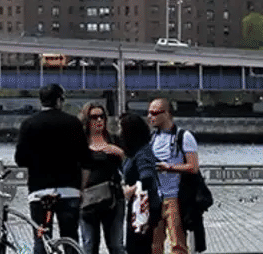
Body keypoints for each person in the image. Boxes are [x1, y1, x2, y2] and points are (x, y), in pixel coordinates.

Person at [14, 84, 89, 254]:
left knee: (41, 238)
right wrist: (82, 189)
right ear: (59, 100)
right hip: (69, 190)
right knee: (70, 239)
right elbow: (85, 159)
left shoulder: (29, 124)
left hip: (39, 191)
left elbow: (20, 159)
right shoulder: (73, 123)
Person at [146, 98, 201, 254]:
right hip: (155, 198)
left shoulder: (184, 136)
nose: (150, 117)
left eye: (155, 113)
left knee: (178, 245)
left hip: (175, 197)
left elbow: (193, 167)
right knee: (154, 245)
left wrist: (169, 168)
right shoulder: (152, 138)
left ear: (167, 114)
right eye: (149, 113)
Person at [77, 102, 124, 254]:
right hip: (88, 199)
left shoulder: (113, 140)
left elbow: (129, 167)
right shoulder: (80, 143)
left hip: (113, 198)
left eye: (102, 117)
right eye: (94, 117)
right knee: (89, 245)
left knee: (116, 245)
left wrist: (119, 153)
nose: (99, 120)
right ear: (86, 120)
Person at [118, 114, 159, 254]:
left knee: (137, 246)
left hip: (142, 207)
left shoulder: (142, 153)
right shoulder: (136, 152)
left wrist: (132, 189)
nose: (119, 133)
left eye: (121, 129)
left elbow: (147, 177)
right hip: (138, 206)